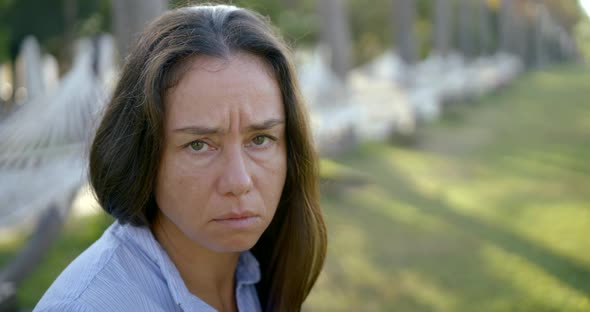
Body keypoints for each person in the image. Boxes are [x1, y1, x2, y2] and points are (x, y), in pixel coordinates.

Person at [34, 4, 327, 312]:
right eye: (199, 144)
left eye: (260, 139)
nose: (239, 182)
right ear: (143, 154)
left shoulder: (256, 275)